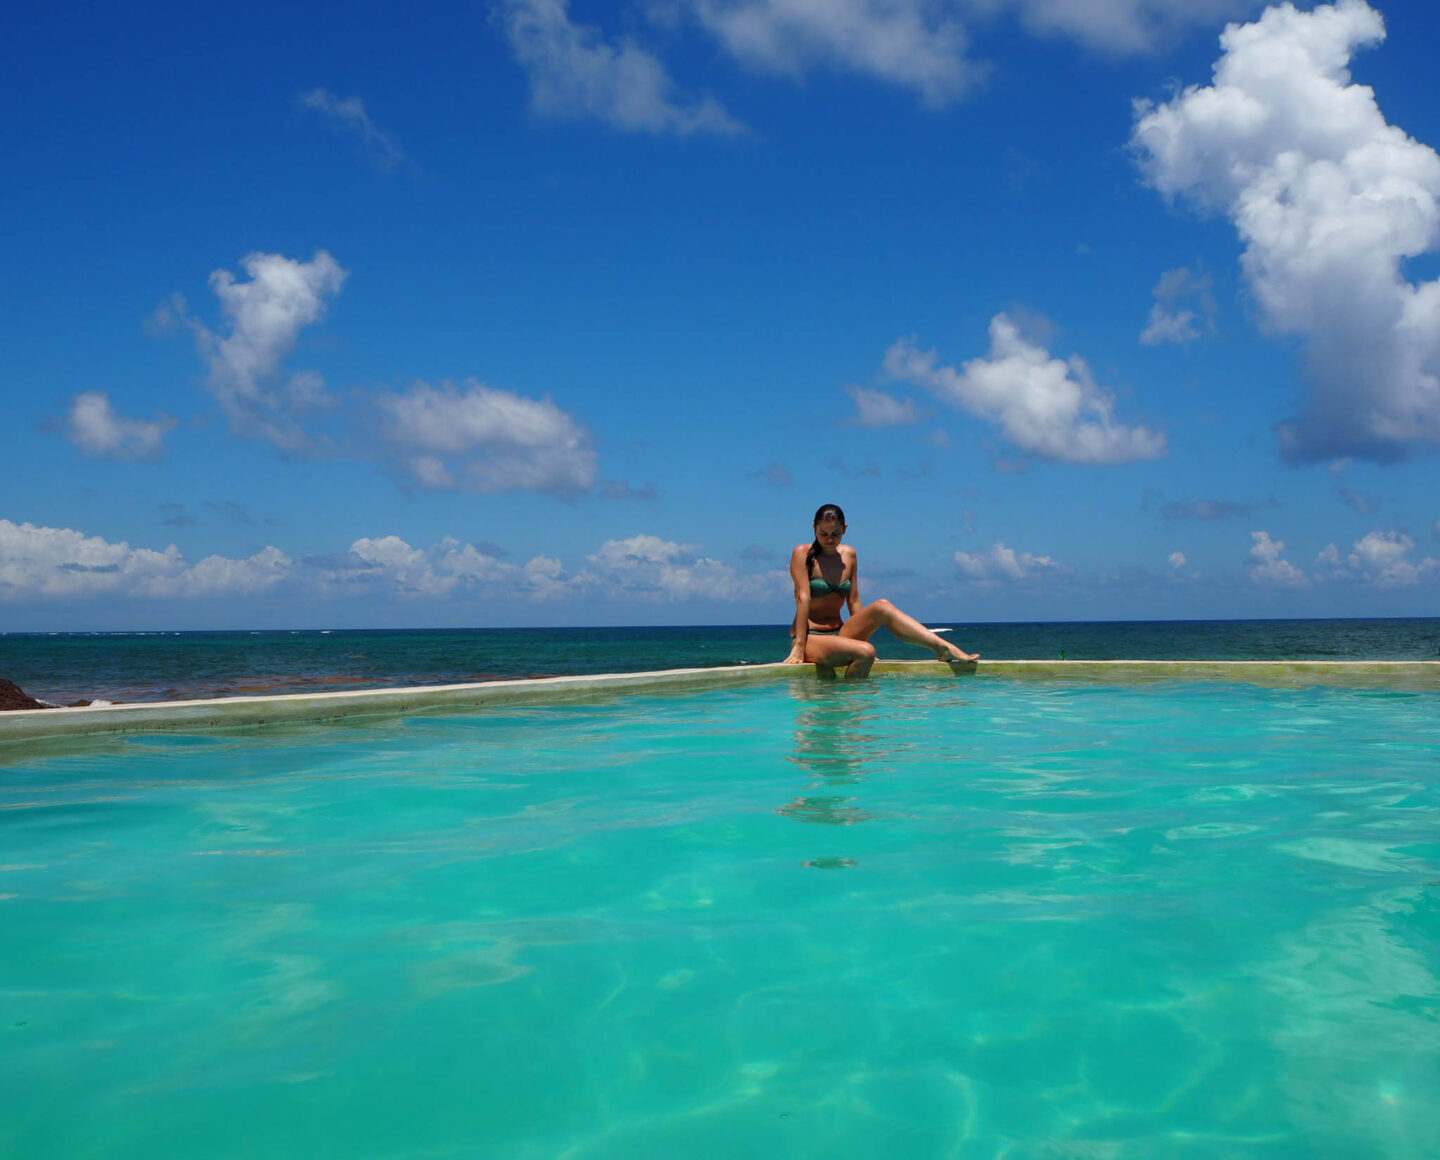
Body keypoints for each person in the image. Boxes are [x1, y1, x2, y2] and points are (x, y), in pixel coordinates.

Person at [782, 503, 980, 677]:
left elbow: (854, 600)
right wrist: (799, 646)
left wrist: (860, 638)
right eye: (823, 534)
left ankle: (943, 647)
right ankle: (848, 708)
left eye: (836, 534)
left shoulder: (849, 555)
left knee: (883, 606)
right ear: (814, 528)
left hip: (841, 633)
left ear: (845, 529)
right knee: (865, 652)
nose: (829, 540)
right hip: (812, 637)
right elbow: (802, 599)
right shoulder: (803, 553)